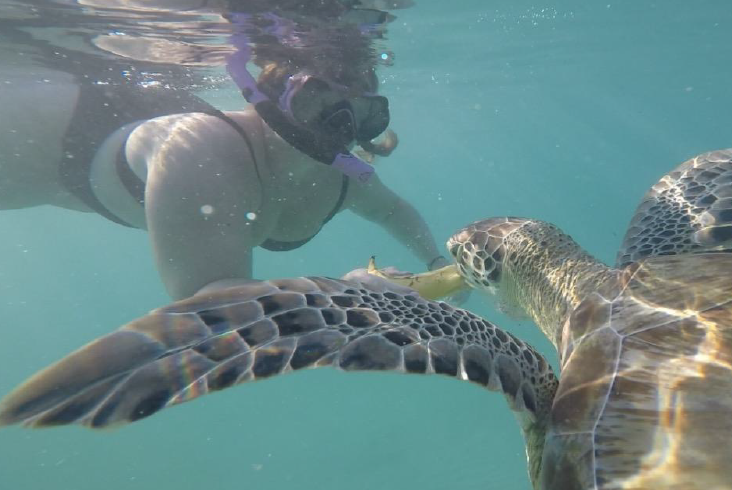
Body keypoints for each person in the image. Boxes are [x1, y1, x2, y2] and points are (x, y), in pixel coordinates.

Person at [0, 11, 451, 301]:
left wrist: (436, 263)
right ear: (271, 95)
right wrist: (346, 297)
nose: (339, 132)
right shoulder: (204, 154)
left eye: (361, 116)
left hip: (108, 167)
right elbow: (205, 306)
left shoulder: (343, 180)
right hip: (58, 128)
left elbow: (393, 210)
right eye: (318, 103)